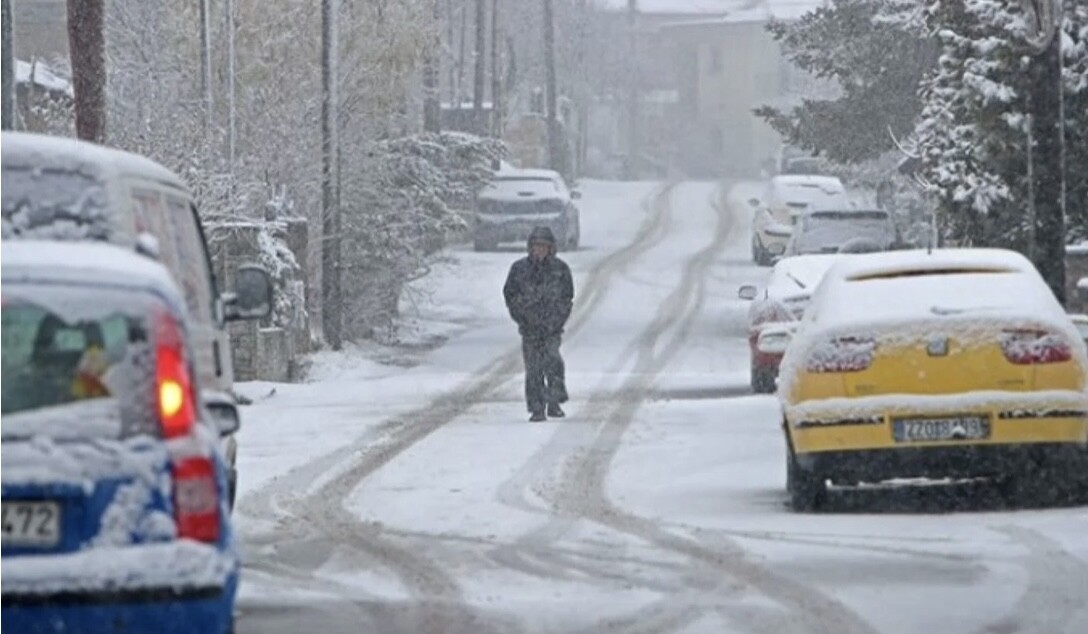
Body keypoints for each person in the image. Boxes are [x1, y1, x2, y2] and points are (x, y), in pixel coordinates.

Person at [503, 226, 574, 422]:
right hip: (529, 328)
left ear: (551, 248)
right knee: (533, 368)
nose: (540, 250)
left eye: (544, 246)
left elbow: (567, 297)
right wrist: (521, 315)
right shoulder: (519, 270)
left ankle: (554, 401)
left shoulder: (560, 269)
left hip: (552, 327)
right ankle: (536, 407)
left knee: (553, 361)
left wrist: (557, 319)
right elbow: (510, 295)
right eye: (537, 246)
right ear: (531, 248)